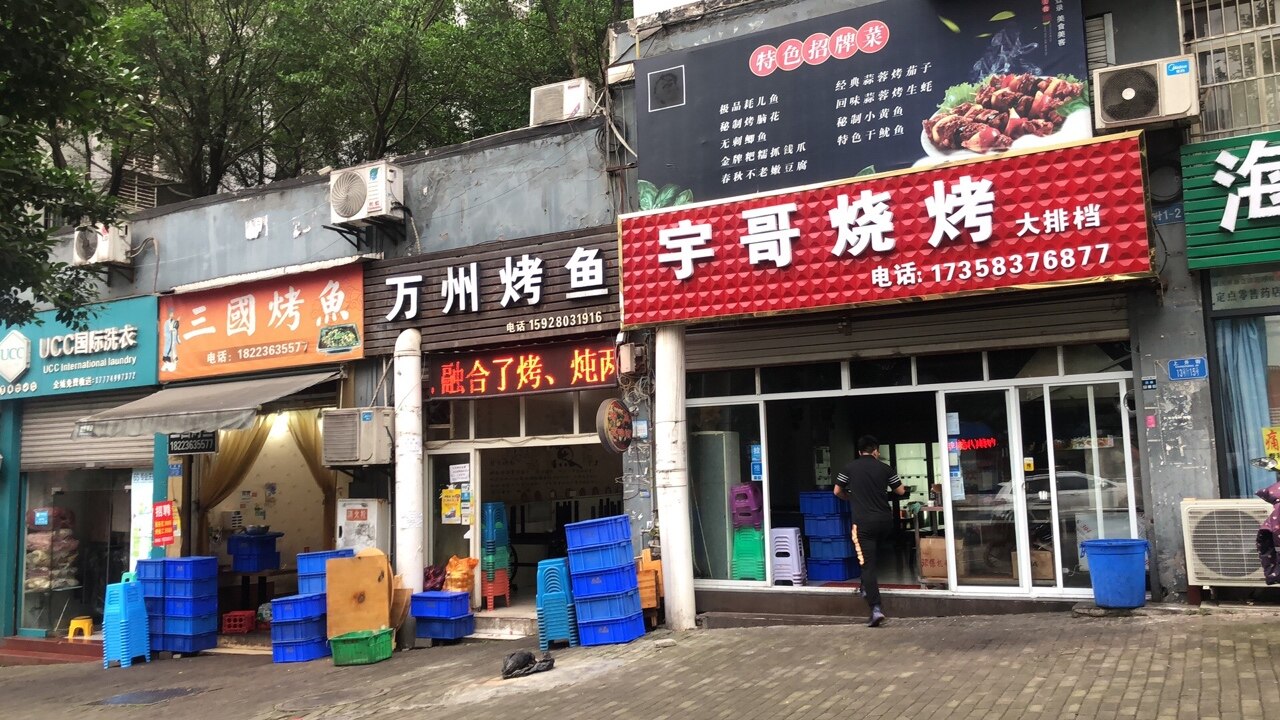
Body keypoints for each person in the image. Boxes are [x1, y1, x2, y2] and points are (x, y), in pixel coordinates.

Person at [833, 435, 907, 627]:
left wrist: (850, 497)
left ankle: (875, 608)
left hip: (863, 524)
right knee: (871, 559)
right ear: (876, 451)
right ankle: (866, 585)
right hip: (885, 522)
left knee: (867, 565)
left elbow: (837, 491)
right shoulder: (885, 468)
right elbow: (901, 491)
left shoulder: (849, 468)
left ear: (859, 452)